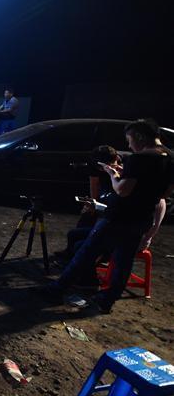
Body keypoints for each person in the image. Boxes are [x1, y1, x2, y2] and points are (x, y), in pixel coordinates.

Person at [46, 120, 173, 313]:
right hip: (141, 218)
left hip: (119, 216)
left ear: (139, 136)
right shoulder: (170, 158)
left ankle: (57, 289)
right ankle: (107, 300)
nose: (129, 145)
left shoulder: (140, 159)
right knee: (123, 261)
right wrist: (132, 177)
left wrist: (114, 174)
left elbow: (123, 190)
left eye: (129, 140)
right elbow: (165, 193)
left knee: (86, 251)